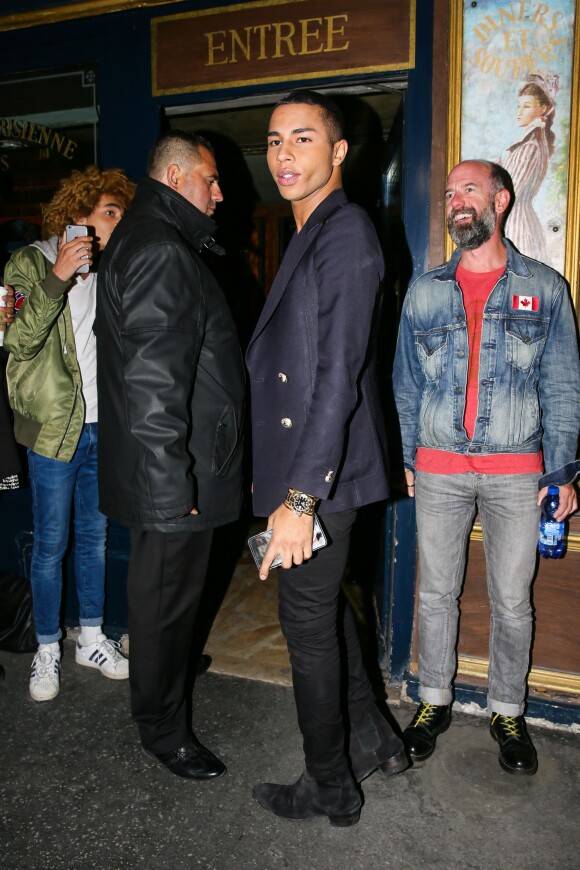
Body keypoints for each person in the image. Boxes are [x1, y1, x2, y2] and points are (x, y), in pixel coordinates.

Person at [246, 90, 408, 828]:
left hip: (322, 474)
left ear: (339, 153)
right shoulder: (315, 229)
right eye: (275, 140)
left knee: (307, 625)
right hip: (322, 464)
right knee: (320, 613)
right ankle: (376, 739)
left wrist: (300, 499)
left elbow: (337, 375)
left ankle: (330, 785)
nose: (283, 155)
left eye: (302, 139)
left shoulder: (344, 234)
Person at [393, 159, 580, 775]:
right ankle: (434, 701)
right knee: (436, 592)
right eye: (448, 193)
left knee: (511, 597)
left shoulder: (546, 288)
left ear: (501, 200)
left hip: (517, 471)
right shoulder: (424, 291)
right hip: (439, 466)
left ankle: (507, 708)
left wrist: (562, 474)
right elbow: (405, 384)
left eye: (469, 190)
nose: (456, 202)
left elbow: (562, 386)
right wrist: (406, 457)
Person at [96, 131, 245, 781]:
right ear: (178, 176)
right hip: (174, 468)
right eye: (210, 180)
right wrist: (170, 477)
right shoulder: (160, 247)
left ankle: (170, 664)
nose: (219, 192)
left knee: (170, 599)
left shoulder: (153, 237)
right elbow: (154, 378)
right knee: (162, 599)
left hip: (176, 461)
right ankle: (162, 730)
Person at [3, 166, 135, 702]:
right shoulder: (28, 261)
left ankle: (91, 636)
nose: (114, 226)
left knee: (95, 539)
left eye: (120, 217)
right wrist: (57, 276)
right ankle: (48, 646)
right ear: (76, 213)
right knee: (50, 544)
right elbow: (15, 341)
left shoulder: (109, 269)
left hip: (105, 426)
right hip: (55, 429)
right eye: (108, 213)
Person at [498, 72, 559, 264]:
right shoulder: (526, 143)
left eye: (526, 106)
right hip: (514, 221)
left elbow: (510, 191)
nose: (519, 112)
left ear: (543, 109)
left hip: (518, 225)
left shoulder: (530, 146)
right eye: (519, 106)